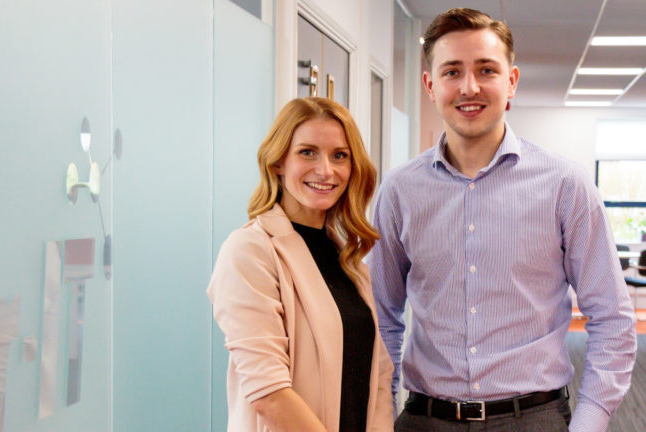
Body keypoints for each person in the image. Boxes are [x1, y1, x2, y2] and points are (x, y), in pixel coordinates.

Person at [369, 7, 636, 432]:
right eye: (452, 71)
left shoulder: (565, 185)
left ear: (511, 81)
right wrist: (381, 418)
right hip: (425, 420)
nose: (468, 87)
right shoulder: (399, 191)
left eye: (486, 70)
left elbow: (613, 320)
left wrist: (588, 424)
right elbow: (383, 318)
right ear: (430, 85)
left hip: (534, 419)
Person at [208, 97, 394, 431]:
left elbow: (378, 375)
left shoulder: (348, 258)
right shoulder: (250, 250)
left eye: (340, 156)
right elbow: (269, 393)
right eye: (307, 152)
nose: (326, 170)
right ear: (278, 162)